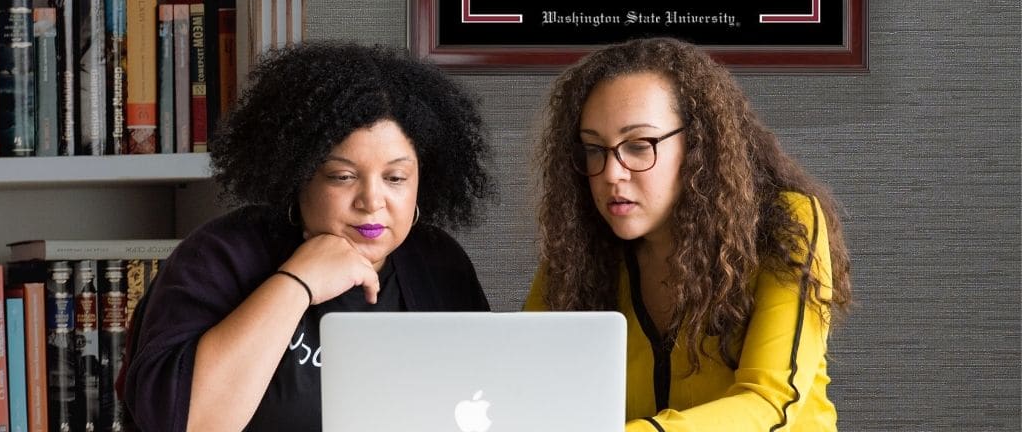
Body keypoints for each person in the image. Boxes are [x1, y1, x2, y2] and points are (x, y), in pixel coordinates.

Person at [123, 41, 493, 432]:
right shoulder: (222, 255)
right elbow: (184, 422)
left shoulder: (438, 263)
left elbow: (489, 397)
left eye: (395, 178)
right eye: (342, 176)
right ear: (298, 175)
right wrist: (298, 282)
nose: (371, 201)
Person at [525, 37, 852, 431]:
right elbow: (527, 382)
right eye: (594, 149)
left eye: (639, 145)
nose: (611, 173)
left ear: (698, 145)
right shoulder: (580, 250)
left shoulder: (785, 225)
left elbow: (771, 400)